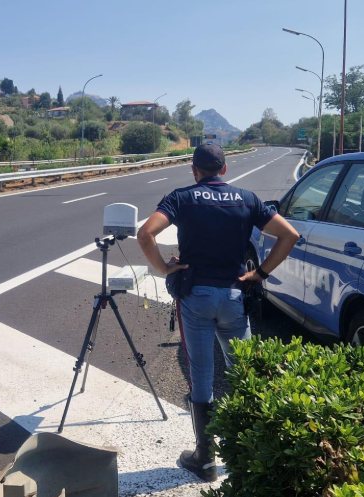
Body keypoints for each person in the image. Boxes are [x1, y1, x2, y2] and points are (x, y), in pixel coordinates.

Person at [137, 143, 299, 482]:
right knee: (244, 372)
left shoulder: (181, 198)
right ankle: (248, 453)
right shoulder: (247, 199)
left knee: (202, 376)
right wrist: (260, 273)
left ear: (194, 170)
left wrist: (164, 269)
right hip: (234, 295)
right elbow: (289, 235)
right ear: (224, 169)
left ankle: (205, 460)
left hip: (195, 297)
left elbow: (146, 233)